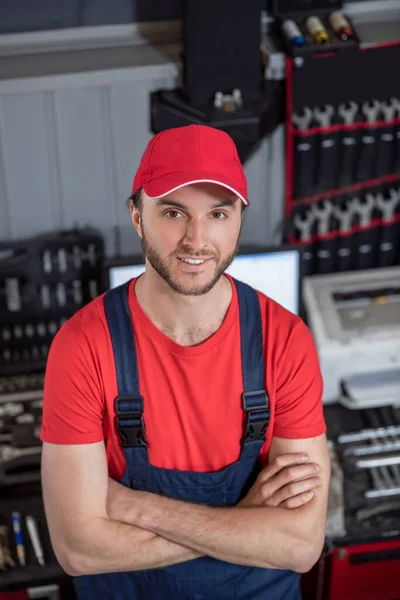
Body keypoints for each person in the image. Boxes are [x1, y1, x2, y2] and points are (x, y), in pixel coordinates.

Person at [41, 124, 330, 600]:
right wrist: (247, 523)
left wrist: (136, 509)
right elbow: (79, 551)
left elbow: (299, 546)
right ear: (137, 216)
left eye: (218, 213)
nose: (197, 239)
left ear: (239, 218)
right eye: (173, 213)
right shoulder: (83, 347)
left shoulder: (285, 342)